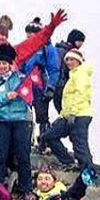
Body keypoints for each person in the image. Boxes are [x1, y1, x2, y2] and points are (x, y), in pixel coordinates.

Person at [0, 45, 34, 195]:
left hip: (21, 120)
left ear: (10, 64)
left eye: (4, 63)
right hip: (1, 121)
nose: (1, 66)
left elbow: (29, 96)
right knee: (0, 156)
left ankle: (26, 189)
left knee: (23, 156)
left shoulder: (21, 78)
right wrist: (6, 97)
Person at [42, 48, 94, 171]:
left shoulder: (80, 73)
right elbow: (69, 99)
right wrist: (62, 116)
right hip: (69, 114)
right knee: (49, 136)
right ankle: (69, 162)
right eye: (67, 60)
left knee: (79, 144)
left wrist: (73, 114)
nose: (69, 62)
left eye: (72, 59)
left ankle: (88, 172)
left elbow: (80, 95)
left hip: (79, 115)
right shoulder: (73, 74)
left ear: (79, 61)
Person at [19, 19, 61, 150]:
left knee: (42, 116)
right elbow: (19, 66)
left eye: (32, 33)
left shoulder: (48, 49)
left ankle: (44, 142)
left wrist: (51, 87)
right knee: (25, 116)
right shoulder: (25, 48)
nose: (29, 36)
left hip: (41, 86)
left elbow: (54, 70)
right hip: (25, 87)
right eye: (28, 34)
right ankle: (28, 142)